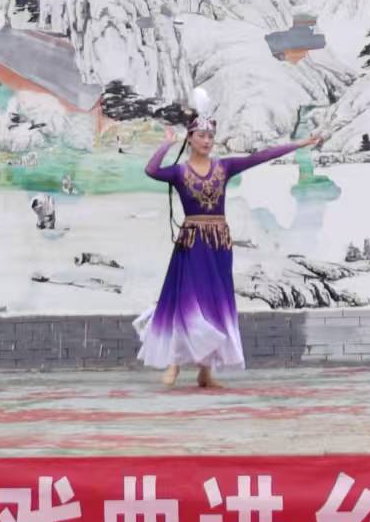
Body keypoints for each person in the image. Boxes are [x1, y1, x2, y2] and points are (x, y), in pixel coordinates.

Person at [136, 112, 322, 388]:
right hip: (192, 243)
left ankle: (205, 372)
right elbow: (152, 170)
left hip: (219, 245)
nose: (207, 141)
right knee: (186, 301)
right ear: (190, 139)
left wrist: (300, 144)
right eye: (201, 136)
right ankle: (174, 364)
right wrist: (167, 144)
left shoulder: (224, 167)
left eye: (211, 136)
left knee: (213, 302)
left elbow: (261, 156)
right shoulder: (179, 172)